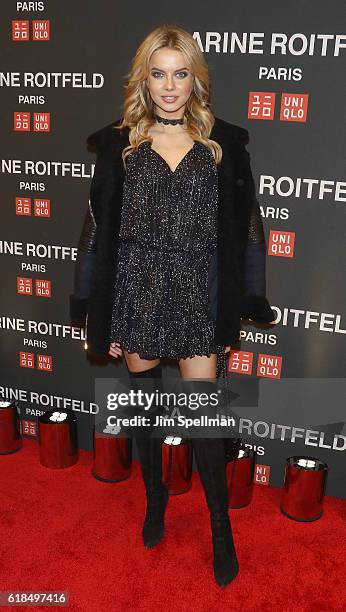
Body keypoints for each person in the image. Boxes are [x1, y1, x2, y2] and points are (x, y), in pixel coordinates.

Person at [69, 25, 275, 588]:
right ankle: (156, 499)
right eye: (158, 73)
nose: (169, 86)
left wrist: (251, 295)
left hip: (196, 289)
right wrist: (90, 305)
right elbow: (94, 231)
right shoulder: (119, 144)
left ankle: (218, 528)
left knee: (204, 422)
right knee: (146, 412)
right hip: (136, 286)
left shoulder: (223, 144)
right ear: (144, 78)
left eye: (180, 73)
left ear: (195, 80)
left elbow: (250, 230)